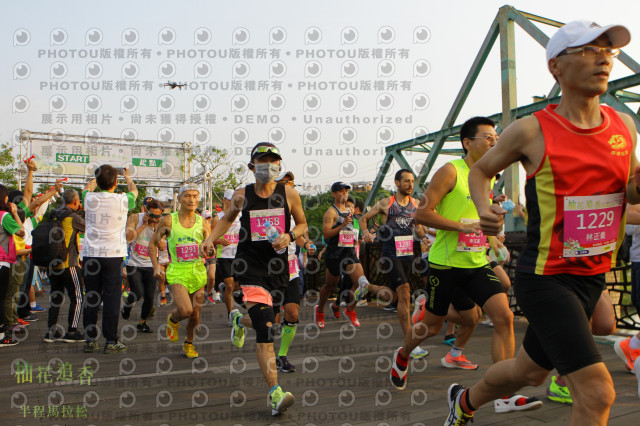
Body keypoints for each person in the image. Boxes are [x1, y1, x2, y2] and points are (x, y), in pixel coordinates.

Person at [446, 21, 635, 425]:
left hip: (593, 274)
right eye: (587, 50)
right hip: (546, 276)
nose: (603, 57)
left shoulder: (625, 126)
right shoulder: (532, 130)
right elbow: (480, 172)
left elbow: (631, 192)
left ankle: (463, 403)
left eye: (609, 50)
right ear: (556, 67)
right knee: (598, 392)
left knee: (527, 372)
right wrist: (484, 208)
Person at [390, 116, 540, 415]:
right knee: (431, 327)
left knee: (504, 317)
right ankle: (403, 355)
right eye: (488, 137)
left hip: (476, 262)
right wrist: (460, 227)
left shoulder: (490, 177)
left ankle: (503, 394)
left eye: (497, 137)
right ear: (467, 143)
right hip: (445, 264)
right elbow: (422, 214)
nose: (494, 141)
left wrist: (493, 234)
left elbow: (480, 221)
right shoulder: (450, 171)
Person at [200, 142, 307, 416]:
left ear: (279, 165)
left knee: (272, 318)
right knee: (266, 327)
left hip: (279, 270)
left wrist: (290, 236)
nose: (267, 165)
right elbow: (226, 219)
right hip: (250, 269)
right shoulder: (241, 195)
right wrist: (210, 238)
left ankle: (238, 319)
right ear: (252, 166)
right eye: (262, 161)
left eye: (273, 160)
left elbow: (303, 224)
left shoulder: (289, 193)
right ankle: (275, 392)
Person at [360, 169, 430, 358]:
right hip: (391, 255)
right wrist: (365, 232)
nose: (410, 184)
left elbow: (420, 229)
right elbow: (363, 218)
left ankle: (367, 286)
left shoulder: (415, 205)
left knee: (392, 297)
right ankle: (410, 342)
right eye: (406, 181)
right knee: (405, 293)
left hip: (407, 254)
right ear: (397, 183)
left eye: (412, 181)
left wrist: (426, 238)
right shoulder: (387, 203)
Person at [150, 184, 210, 359]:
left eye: (195, 196)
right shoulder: (169, 220)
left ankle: (189, 344)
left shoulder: (204, 222)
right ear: (179, 199)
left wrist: (210, 250)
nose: (192, 200)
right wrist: (155, 266)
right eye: (187, 196)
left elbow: (209, 246)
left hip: (198, 272)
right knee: (185, 310)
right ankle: (173, 319)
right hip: (177, 272)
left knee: (196, 316)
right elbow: (153, 243)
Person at [82, 166, 138, 354]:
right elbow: (134, 192)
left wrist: (92, 183)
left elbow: (85, 190)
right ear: (116, 182)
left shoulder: (88, 198)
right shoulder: (123, 200)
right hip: (113, 256)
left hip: (91, 254)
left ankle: (90, 340)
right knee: (112, 298)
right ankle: (111, 340)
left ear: (97, 182)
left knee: (91, 297)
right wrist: (128, 177)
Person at [314, 182, 372, 328]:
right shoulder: (331, 212)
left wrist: (356, 238)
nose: (344, 193)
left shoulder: (349, 211)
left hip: (349, 251)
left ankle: (350, 309)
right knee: (330, 285)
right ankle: (320, 310)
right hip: (334, 253)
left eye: (346, 191)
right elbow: (326, 234)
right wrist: (342, 225)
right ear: (334, 194)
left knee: (362, 283)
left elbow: (349, 230)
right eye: (341, 191)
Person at [44, 189, 86, 343]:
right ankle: (72, 331)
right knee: (77, 297)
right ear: (75, 201)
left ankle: (51, 331)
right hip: (69, 264)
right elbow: (90, 229)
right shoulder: (73, 217)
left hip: (52, 263)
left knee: (55, 296)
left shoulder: (53, 214)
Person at [122, 198, 165, 333]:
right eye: (152, 215)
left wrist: (157, 231)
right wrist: (144, 226)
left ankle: (142, 322)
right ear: (146, 211)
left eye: (158, 216)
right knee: (137, 292)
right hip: (134, 263)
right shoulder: (135, 217)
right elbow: (128, 237)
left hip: (150, 264)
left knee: (150, 296)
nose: (155, 218)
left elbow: (162, 247)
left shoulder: (160, 224)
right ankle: (127, 305)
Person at [0, 184, 25, 346]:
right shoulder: (4, 216)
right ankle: (3, 336)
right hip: (2, 262)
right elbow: (21, 232)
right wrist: (15, 213)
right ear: (5, 198)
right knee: (2, 299)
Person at [215, 189, 242, 324]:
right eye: (230, 199)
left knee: (237, 286)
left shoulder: (241, 216)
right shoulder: (218, 218)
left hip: (239, 255)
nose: (233, 202)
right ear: (224, 200)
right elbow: (208, 238)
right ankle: (230, 315)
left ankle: (225, 290)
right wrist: (219, 240)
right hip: (224, 255)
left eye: (235, 200)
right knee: (230, 285)